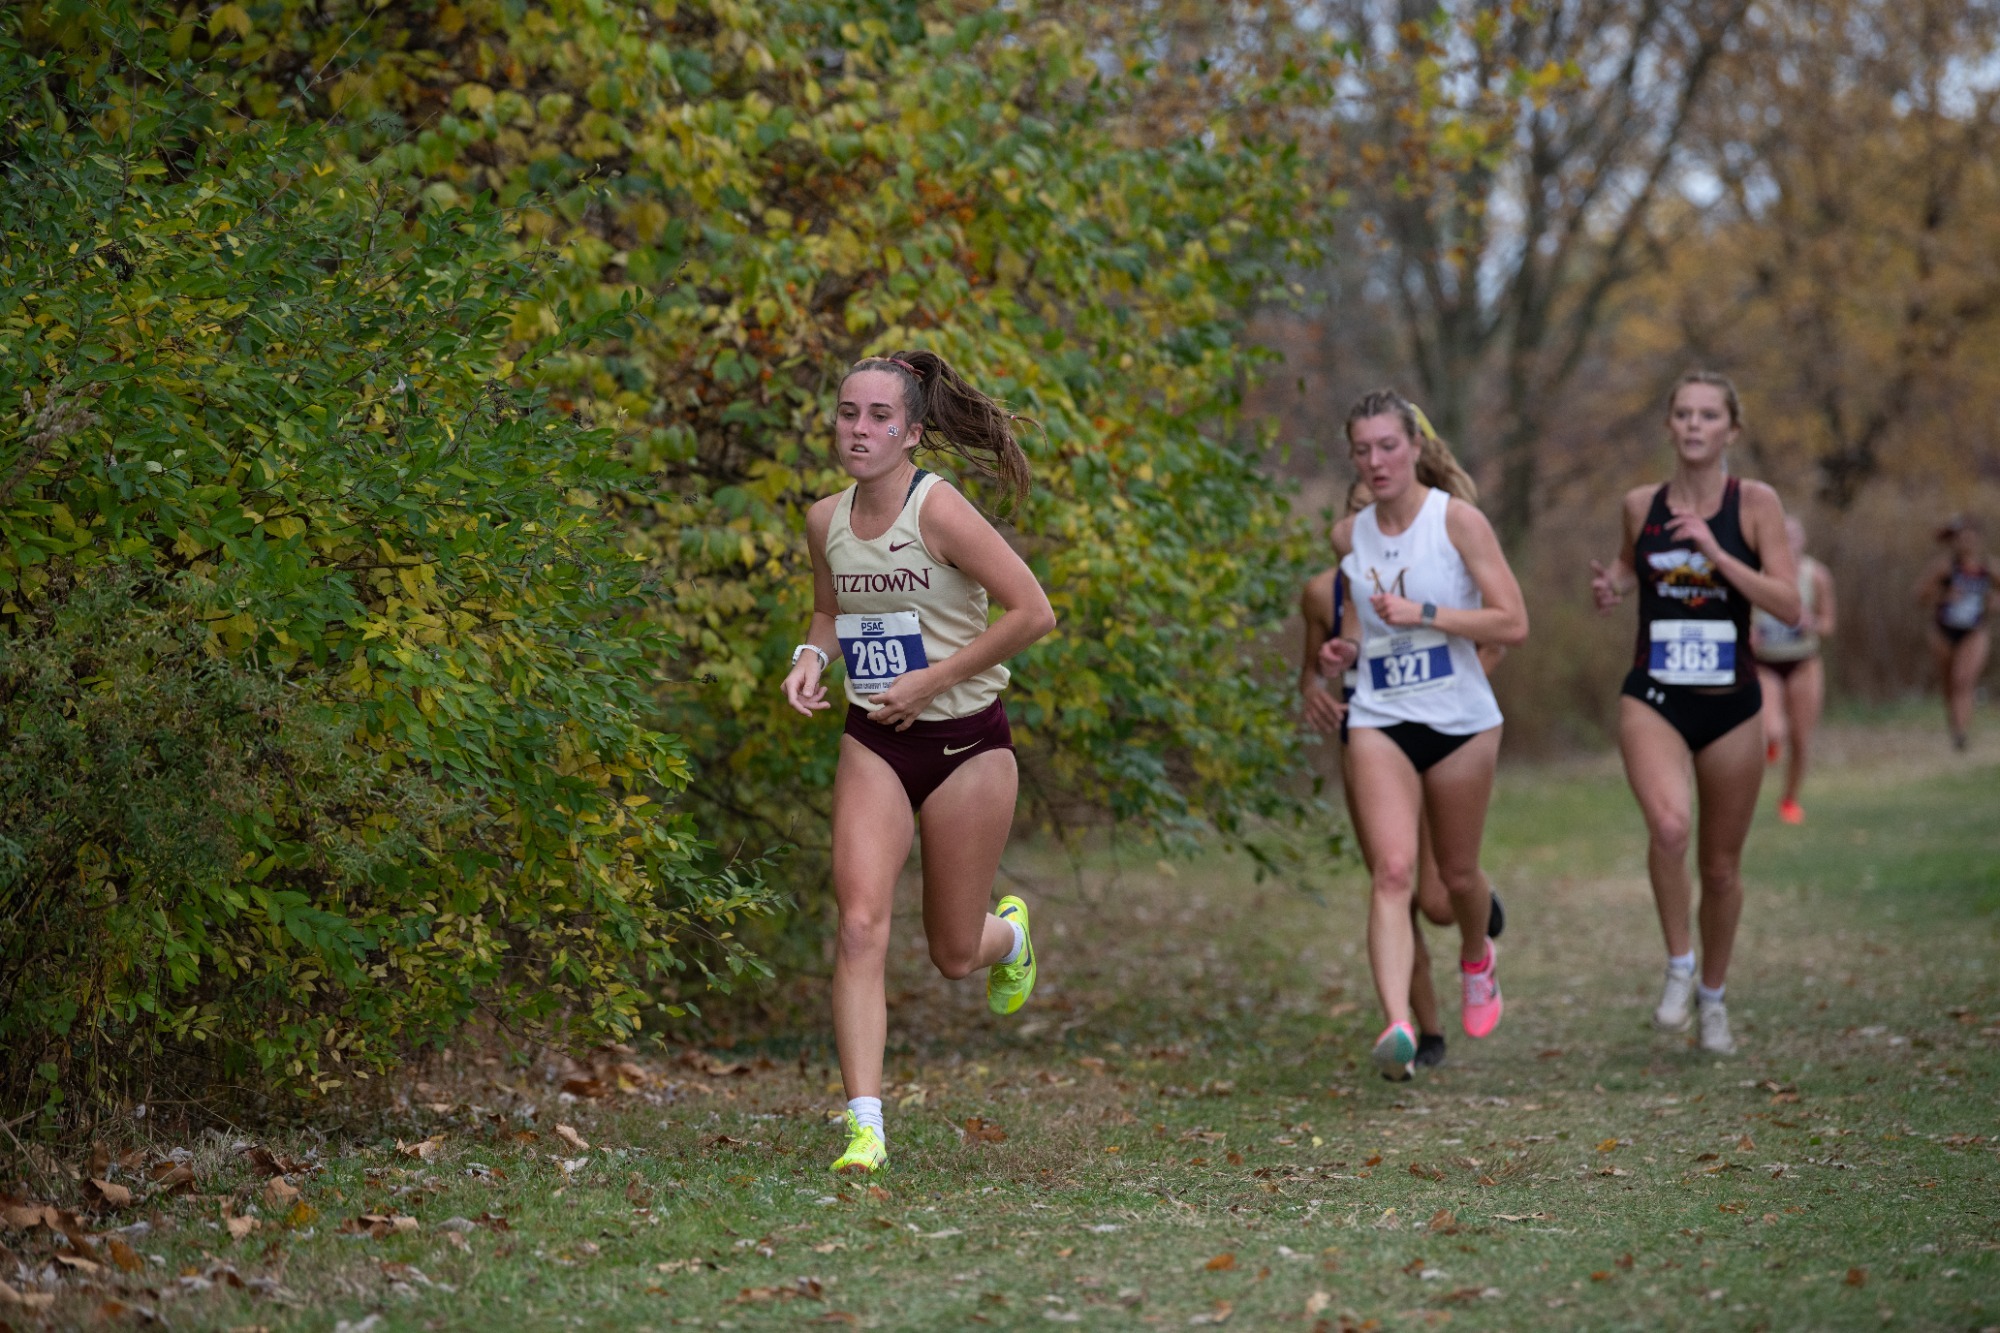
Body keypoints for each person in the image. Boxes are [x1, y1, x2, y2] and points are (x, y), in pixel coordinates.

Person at [780, 352, 1056, 1174]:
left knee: (952, 952)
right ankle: (865, 1126)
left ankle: (1010, 938)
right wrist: (810, 656)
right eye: (846, 413)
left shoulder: (940, 511)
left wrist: (932, 680)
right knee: (860, 923)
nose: (858, 429)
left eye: (877, 416)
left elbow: (1033, 612)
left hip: (968, 743)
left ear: (911, 431)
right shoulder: (824, 519)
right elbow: (831, 611)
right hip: (876, 739)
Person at [1317, 392, 1528, 1081]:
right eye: (1362, 449)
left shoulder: (1458, 521)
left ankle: (1476, 952)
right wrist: (1342, 654)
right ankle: (1398, 1022)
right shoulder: (1350, 537)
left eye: (1387, 446)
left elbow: (1511, 622)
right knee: (1393, 872)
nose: (1375, 461)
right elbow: (1358, 629)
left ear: (1414, 446)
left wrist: (1428, 613)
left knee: (1458, 877)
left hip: (1461, 720)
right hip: (1381, 714)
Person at [1590, 371, 1799, 1057]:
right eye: (1682, 413)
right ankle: (1679, 963)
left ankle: (1713, 995)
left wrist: (1714, 553)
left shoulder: (1756, 504)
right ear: (1670, 425)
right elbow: (1629, 564)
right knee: (1670, 826)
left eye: (1709, 415)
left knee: (1720, 868)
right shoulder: (1639, 503)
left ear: (1731, 430)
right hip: (1654, 692)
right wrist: (1612, 585)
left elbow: (1789, 605)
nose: (1693, 425)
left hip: (1731, 703)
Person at [1752, 517, 1836, 824]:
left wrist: (1812, 623)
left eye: (1794, 537)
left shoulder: (1816, 576)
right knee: (1774, 729)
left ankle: (1789, 800)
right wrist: (1749, 634)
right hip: (1765, 663)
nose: (1788, 543)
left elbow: (1828, 624)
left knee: (1801, 738)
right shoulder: (1756, 574)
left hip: (1803, 661)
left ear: (1803, 540)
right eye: (1782, 536)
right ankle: (1773, 743)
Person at [1916, 516, 1994, 752]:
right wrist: (1943, 596)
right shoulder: (1945, 567)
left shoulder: (1988, 568)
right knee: (1950, 684)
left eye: (1971, 538)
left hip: (1974, 632)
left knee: (1963, 680)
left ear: (1978, 541)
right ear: (1955, 542)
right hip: (1943, 631)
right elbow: (1919, 596)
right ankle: (1955, 726)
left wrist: (1994, 602)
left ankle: (1961, 735)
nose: (1966, 543)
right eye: (1961, 539)